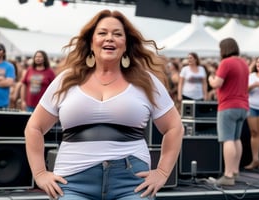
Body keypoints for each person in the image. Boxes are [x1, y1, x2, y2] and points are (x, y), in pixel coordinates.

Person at [24, 9, 184, 200]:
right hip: (73, 183)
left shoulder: (146, 82)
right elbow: (34, 127)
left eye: (117, 34)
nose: (110, 38)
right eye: (102, 33)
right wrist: (40, 174)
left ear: (126, 45)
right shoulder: (66, 80)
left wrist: (163, 173)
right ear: (91, 42)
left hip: (131, 183)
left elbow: (174, 127)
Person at [208, 37, 249, 186]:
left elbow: (216, 84)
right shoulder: (244, 63)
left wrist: (210, 78)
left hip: (228, 106)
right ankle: (235, 171)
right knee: (237, 139)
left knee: (228, 140)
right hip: (243, 106)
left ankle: (228, 175)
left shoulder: (226, 62)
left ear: (224, 49)